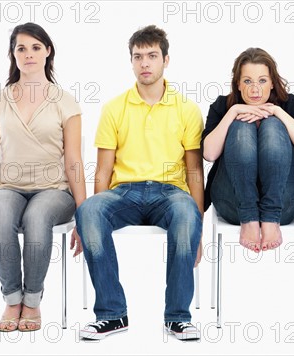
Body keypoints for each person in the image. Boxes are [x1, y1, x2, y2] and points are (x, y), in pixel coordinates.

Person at [76, 25, 204, 341]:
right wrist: (90, 219)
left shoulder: (187, 109)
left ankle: (177, 317)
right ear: (131, 62)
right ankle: (111, 314)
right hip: (125, 193)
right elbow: (103, 171)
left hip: (171, 193)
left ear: (166, 60)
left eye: (151, 56)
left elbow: (194, 173)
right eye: (138, 57)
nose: (144, 63)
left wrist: (197, 227)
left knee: (187, 214)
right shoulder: (114, 108)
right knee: (89, 211)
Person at [0, 22, 86, 332]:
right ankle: (12, 300)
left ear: (48, 52)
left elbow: (74, 161)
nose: (29, 54)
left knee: (37, 217)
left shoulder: (65, 102)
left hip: (54, 191)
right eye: (21, 48)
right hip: (8, 187)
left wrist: (84, 214)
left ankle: (32, 302)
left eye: (36, 47)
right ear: (13, 54)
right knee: (1, 214)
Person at [202, 48, 294, 253]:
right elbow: (209, 154)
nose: (255, 89)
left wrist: (276, 111)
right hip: (233, 203)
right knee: (240, 125)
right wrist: (233, 112)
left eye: (262, 81)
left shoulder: (287, 104)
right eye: (247, 81)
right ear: (237, 83)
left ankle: (270, 218)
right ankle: (249, 218)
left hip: (284, 202)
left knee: (272, 125)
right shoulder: (223, 105)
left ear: (272, 82)